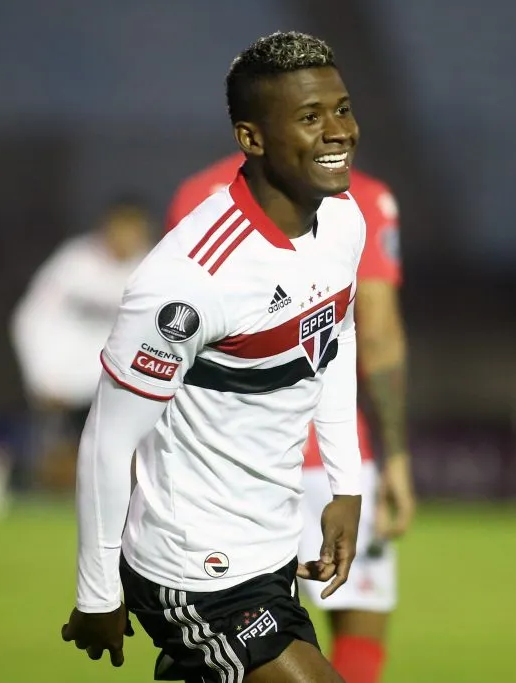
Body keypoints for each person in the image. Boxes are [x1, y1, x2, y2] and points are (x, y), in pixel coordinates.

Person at [60, 31, 368, 682]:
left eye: (341, 108)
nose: (338, 131)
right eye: (310, 118)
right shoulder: (191, 278)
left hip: (272, 551)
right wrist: (97, 592)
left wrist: (345, 483)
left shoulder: (343, 221)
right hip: (193, 567)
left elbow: (332, 340)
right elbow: (106, 441)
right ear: (252, 139)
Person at [166, 153, 413, 683]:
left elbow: (172, 339)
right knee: (359, 631)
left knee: (233, 644)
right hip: (331, 463)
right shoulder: (360, 197)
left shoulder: (198, 194)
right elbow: (377, 331)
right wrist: (395, 456)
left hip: (221, 467)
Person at [0, 197, 154, 517]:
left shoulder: (152, 268)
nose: (129, 237)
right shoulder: (74, 264)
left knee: (109, 457)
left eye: (136, 230)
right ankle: (3, 467)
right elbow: (30, 318)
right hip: (63, 379)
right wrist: (41, 375)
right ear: (108, 227)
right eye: (123, 228)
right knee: (52, 456)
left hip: (113, 381)